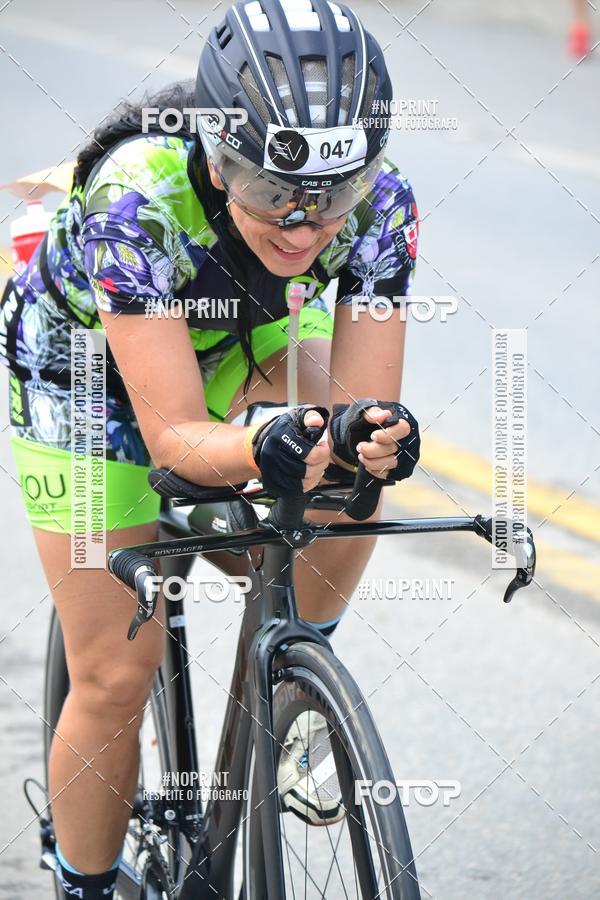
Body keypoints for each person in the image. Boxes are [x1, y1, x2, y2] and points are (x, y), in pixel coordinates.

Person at [0, 1, 421, 897]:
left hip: (240, 326)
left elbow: (362, 407)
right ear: (219, 153)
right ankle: (87, 883)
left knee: (351, 477)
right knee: (119, 667)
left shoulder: (383, 202)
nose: (305, 228)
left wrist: (369, 438)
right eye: (273, 190)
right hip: (86, 374)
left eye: (330, 197)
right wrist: (259, 443)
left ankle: (292, 681)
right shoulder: (139, 195)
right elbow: (177, 440)